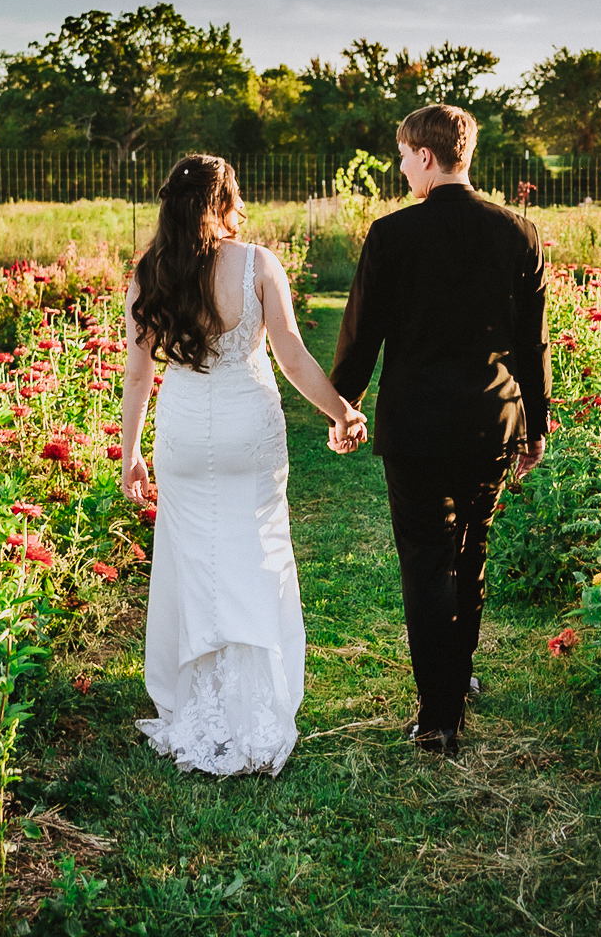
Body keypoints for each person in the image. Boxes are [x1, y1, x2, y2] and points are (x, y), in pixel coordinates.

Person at [119, 154, 365, 776]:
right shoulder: (256, 263)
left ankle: (198, 705)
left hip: (182, 432)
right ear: (225, 200)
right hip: (247, 428)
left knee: (193, 561)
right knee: (255, 553)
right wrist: (341, 410)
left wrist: (130, 456)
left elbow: (140, 373)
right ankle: (255, 707)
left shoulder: (149, 274)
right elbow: (291, 353)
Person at [330, 105, 550, 755]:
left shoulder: (392, 235)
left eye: (402, 156)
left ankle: (437, 715)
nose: (400, 168)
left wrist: (344, 405)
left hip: (415, 426)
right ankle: (455, 682)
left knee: (427, 563)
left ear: (426, 157)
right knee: (470, 555)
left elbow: (362, 332)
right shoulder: (520, 233)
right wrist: (536, 425)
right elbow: (532, 344)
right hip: (491, 420)